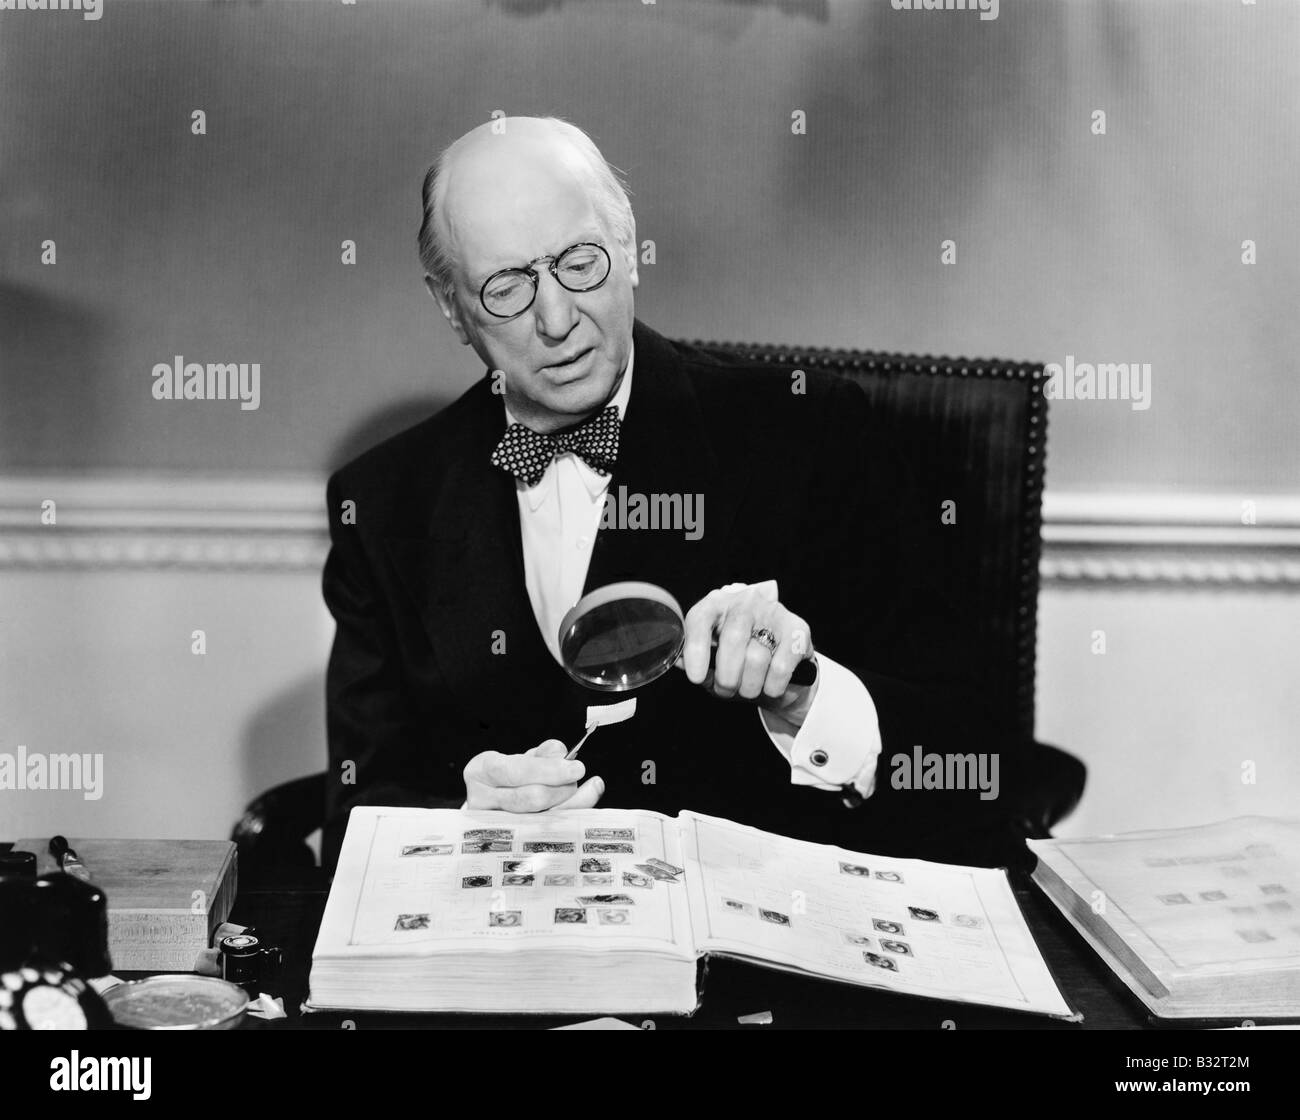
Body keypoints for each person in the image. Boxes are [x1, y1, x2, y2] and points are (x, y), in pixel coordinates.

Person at [321, 116, 1030, 872]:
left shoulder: (809, 432)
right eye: (506, 287)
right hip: (511, 959)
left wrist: (804, 695)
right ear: (449, 306)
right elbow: (357, 820)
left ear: (629, 250)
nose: (557, 319)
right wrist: (463, 822)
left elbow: (977, 760)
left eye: (580, 263)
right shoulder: (384, 501)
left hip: (751, 962)